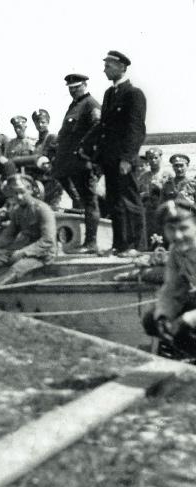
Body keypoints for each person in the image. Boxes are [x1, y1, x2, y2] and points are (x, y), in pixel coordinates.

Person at [82, 51, 147, 257]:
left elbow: (136, 129)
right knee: (115, 203)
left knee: (130, 202)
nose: (105, 70)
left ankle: (136, 246)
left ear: (122, 67)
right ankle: (120, 245)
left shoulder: (133, 94)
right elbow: (103, 125)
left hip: (123, 159)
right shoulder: (110, 94)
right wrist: (86, 146)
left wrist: (127, 158)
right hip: (109, 159)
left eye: (108, 66)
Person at [52, 73, 102, 253]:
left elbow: (98, 127)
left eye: (76, 87)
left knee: (90, 201)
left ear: (85, 85)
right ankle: (77, 204)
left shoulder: (90, 104)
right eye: (70, 88)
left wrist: (85, 149)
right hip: (70, 162)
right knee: (60, 176)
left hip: (83, 162)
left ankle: (91, 243)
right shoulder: (74, 105)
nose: (73, 91)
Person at [142, 200, 196, 356]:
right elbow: (172, 289)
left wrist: (188, 319)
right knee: (152, 320)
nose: (178, 236)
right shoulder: (177, 252)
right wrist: (163, 316)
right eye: (171, 229)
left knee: (185, 325)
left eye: (184, 228)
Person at [137, 147, 166, 247]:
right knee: (149, 234)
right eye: (150, 158)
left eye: (156, 158)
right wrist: (143, 194)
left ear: (160, 158)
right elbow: (137, 193)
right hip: (148, 209)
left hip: (162, 208)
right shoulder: (144, 176)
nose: (153, 160)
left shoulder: (167, 174)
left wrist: (161, 188)